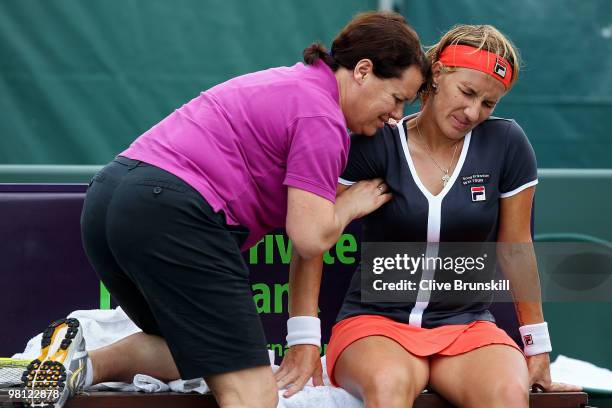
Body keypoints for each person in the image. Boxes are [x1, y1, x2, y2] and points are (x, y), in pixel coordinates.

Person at [21, 11, 429, 408]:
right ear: (362, 70)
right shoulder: (322, 117)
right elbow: (309, 236)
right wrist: (350, 203)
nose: (397, 116)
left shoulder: (292, 82)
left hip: (109, 198)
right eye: (397, 98)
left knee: (201, 348)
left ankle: (80, 364)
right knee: (253, 395)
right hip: (172, 212)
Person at [294, 24, 582, 408]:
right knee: (388, 387)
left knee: (508, 395)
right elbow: (312, 240)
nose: (472, 112)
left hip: (467, 328)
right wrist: (303, 338)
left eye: (488, 103)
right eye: (467, 92)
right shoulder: (375, 143)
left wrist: (537, 347)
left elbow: (516, 248)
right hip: (375, 324)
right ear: (437, 75)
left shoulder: (507, 144)